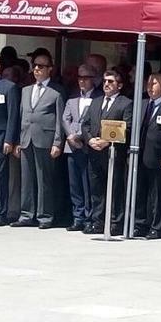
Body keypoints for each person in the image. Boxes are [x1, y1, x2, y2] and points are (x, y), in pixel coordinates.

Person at [12, 50, 65, 229]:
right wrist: (18, 141)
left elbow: (60, 119)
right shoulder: (26, 90)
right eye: (35, 65)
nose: (36, 69)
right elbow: (21, 116)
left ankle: (45, 216)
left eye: (41, 66)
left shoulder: (57, 91)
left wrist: (58, 142)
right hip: (27, 138)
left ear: (50, 69)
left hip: (45, 139)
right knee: (26, 179)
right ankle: (26, 214)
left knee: (44, 180)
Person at [81, 70, 133, 234]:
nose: (107, 84)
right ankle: (98, 220)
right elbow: (86, 124)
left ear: (120, 85)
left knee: (115, 188)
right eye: (105, 81)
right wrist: (90, 139)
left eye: (111, 81)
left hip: (113, 153)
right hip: (95, 152)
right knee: (97, 188)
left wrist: (107, 141)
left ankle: (115, 222)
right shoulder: (96, 102)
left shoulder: (125, 103)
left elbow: (127, 126)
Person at [133, 74, 161, 239]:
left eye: (154, 83)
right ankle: (140, 223)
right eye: (149, 83)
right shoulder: (142, 104)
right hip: (140, 156)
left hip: (157, 157)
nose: (150, 87)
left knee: (157, 194)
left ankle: (156, 226)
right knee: (140, 192)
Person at [61, 65, 101, 231]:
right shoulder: (72, 97)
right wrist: (71, 136)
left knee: (87, 184)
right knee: (74, 184)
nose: (82, 81)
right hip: (72, 146)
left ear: (93, 79)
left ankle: (89, 216)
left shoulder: (98, 98)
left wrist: (81, 137)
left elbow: (92, 122)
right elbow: (65, 118)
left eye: (86, 78)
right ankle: (77, 217)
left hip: (86, 146)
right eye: (80, 78)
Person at [0, 55, 20, 226]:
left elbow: (13, 115)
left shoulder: (8, 87)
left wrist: (9, 139)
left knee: (0, 176)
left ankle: (0, 212)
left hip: (0, 137)